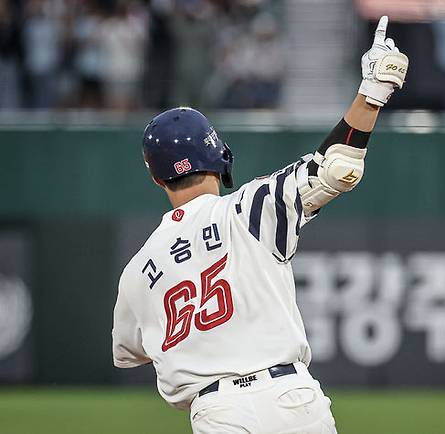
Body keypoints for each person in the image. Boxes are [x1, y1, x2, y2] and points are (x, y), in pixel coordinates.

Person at [112, 16, 408, 434]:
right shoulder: (250, 208)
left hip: (219, 413)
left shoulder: (137, 272)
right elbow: (337, 167)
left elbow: (128, 352)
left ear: (156, 177)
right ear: (218, 157)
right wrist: (371, 94)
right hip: (294, 402)